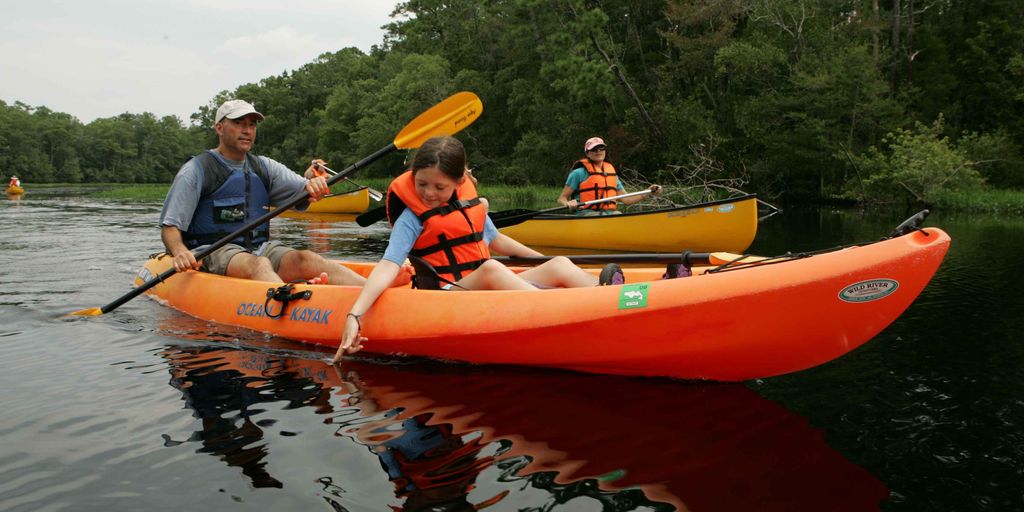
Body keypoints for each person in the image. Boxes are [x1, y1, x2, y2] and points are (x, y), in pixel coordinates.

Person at [331, 136, 621, 363]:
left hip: (482, 282)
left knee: (558, 263)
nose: (429, 193)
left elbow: (497, 242)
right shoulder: (412, 217)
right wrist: (355, 314)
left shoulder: (469, 205)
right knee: (493, 268)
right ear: (412, 176)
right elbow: (390, 264)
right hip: (445, 294)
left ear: (459, 182)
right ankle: (569, 315)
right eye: (421, 184)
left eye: (439, 187)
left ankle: (608, 296)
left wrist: (540, 260)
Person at [159, 99, 365, 286]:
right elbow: (170, 226)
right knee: (259, 265)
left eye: (251, 124)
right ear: (220, 128)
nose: (247, 130)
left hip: (259, 248)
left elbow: (304, 187)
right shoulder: (196, 170)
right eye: (239, 123)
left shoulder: (264, 167)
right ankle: (290, 303)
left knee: (307, 258)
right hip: (213, 250)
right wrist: (180, 252)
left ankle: (371, 290)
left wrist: (314, 184)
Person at [556, 136, 662, 215]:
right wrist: (568, 203)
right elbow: (561, 198)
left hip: (609, 214)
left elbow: (627, 200)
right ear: (587, 153)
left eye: (601, 148)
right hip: (587, 213)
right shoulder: (578, 173)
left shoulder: (611, 174)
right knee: (596, 216)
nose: (598, 151)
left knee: (618, 214)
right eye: (594, 149)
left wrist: (648, 192)